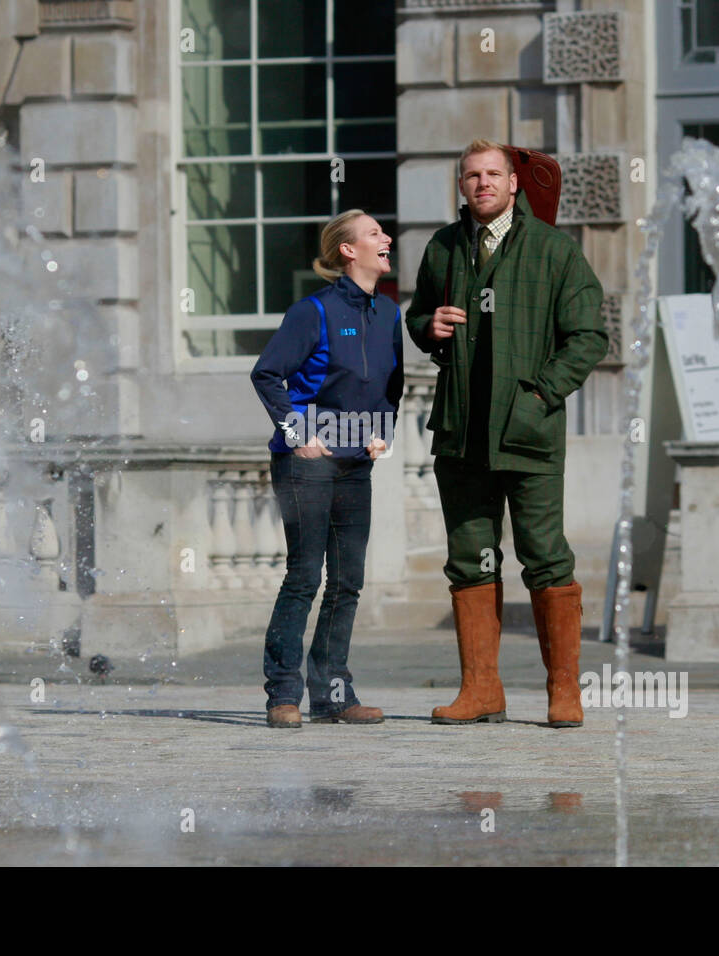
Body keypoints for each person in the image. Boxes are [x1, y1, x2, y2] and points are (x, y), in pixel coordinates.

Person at [405, 139, 607, 728]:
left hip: (528, 433)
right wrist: (429, 326)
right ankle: (481, 689)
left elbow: (589, 337)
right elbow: (419, 318)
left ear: (514, 184)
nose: (482, 183)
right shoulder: (443, 248)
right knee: (470, 559)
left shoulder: (554, 252)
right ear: (461, 185)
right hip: (461, 431)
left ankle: (564, 691)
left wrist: (541, 393)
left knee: (545, 557)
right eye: (472, 175)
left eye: (494, 174)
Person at [250, 210, 403, 729]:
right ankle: (282, 695)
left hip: (356, 464)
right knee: (303, 576)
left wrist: (385, 432)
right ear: (348, 250)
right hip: (306, 465)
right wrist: (298, 436)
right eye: (375, 233)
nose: (387, 238)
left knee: (348, 580)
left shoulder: (389, 314)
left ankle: (334, 694)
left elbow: (392, 387)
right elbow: (267, 374)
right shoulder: (311, 310)